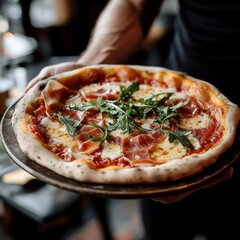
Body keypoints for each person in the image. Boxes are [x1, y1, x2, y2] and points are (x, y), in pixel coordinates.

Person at [26, 0, 240, 239]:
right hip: (177, 90)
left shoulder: (216, 120)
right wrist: (87, 66)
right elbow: (133, 3)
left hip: (207, 121)